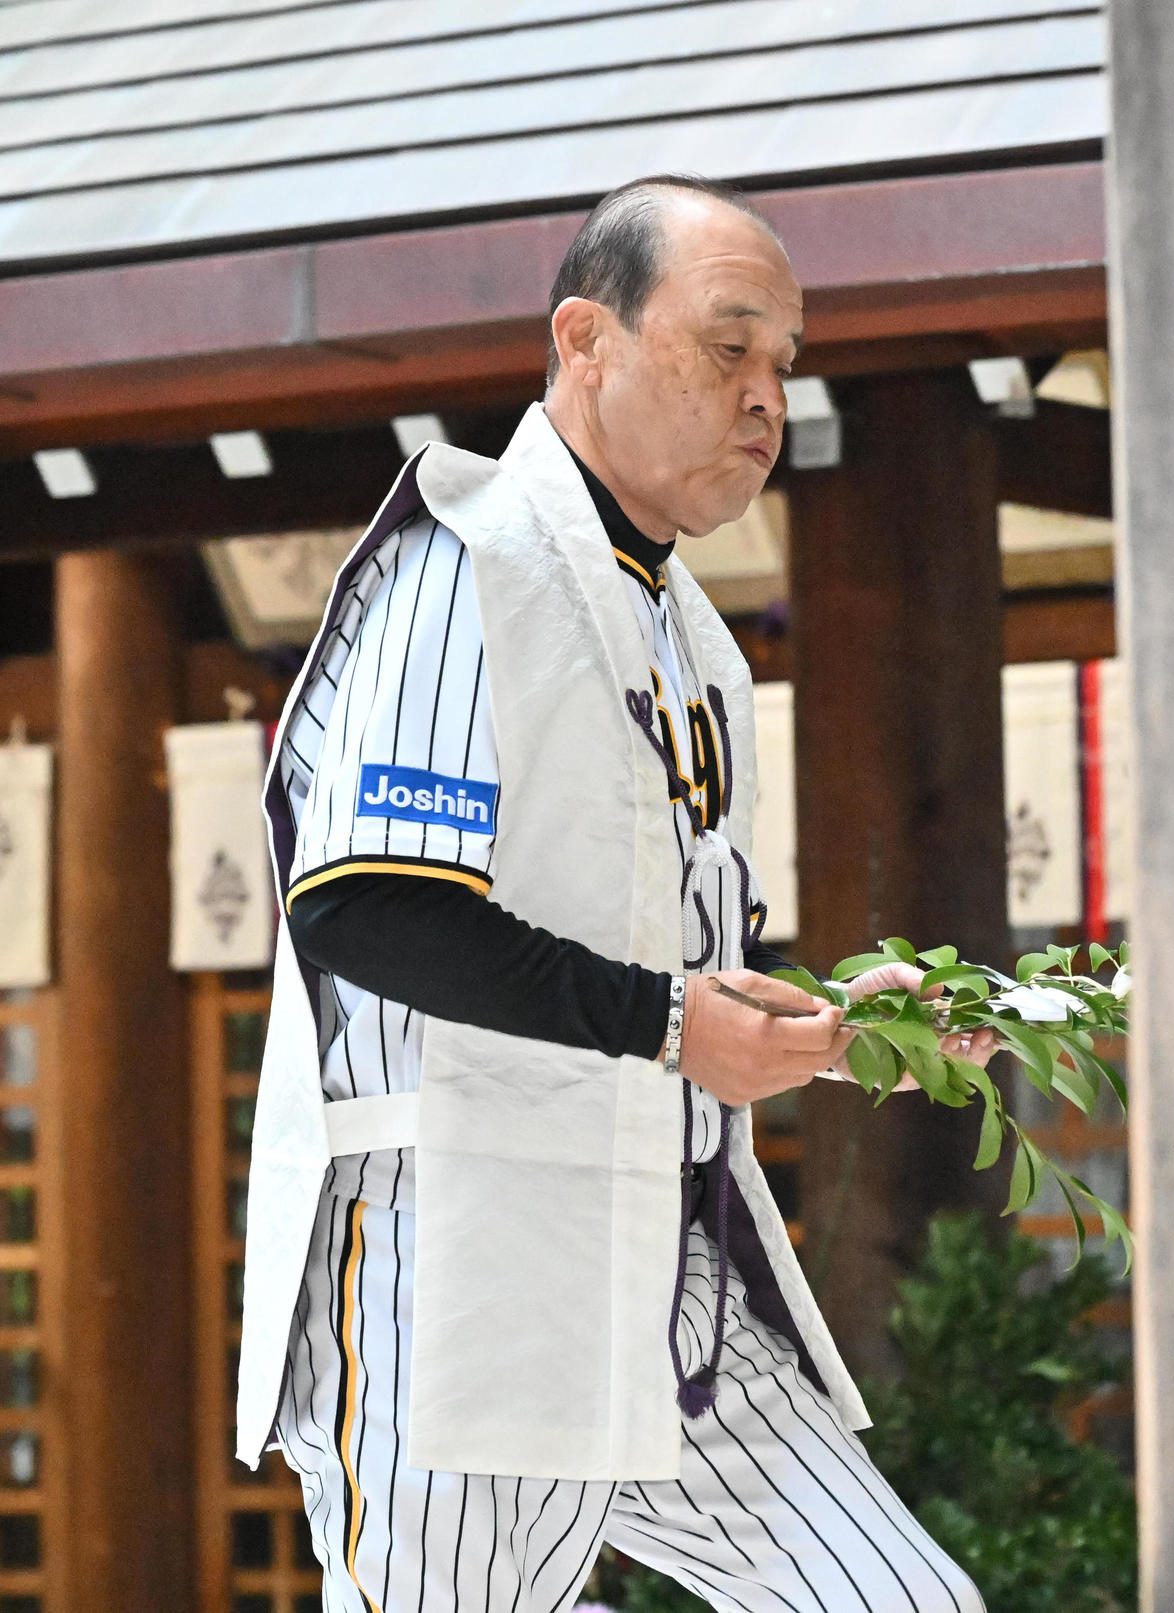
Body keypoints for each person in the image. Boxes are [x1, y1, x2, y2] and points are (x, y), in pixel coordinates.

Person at [236, 174, 994, 1613]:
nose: (768, 395)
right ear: (586, 340)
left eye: (786, 364)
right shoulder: (468, 558)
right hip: (449, 1257)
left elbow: (676, 974)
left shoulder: (695, 639)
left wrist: (838, 1027)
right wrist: (668, 1022)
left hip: (657, 1253)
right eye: (730, 346)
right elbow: (367, 902)